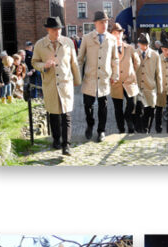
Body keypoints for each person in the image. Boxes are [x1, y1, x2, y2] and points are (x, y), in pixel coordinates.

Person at [31, 17, 80, 156]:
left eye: (59, 29)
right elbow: (34, 63)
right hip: (50, 84)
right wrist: (44, 66)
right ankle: (56, 139)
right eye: (54, 29)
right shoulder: (40, 45)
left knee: (66, 115)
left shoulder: (68, 42)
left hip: (65, 83)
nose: (57, 32)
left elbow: (74, 63)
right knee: (54, 114)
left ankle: (67, 145)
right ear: (48, 30)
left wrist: (77, 80)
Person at [77, 11, 118, 142]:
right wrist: (77, 75)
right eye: (101, 22)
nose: (104, 24)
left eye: (106, 22)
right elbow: (80, 59)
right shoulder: (87, 38)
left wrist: (115, 74)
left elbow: (115, 59)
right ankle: (90, 124)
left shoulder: (112, 39)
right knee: (87, 105)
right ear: (95, 23)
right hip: (90, 78)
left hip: (104, 79)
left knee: (103, 106)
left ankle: (101, 130)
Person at [109, 23, 139, 134]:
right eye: (115, 33)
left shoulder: (130, 48)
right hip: (116, 83)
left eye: (119, 33)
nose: (117, 35)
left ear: (123, 34)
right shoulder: (108, 50)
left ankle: (128, 118)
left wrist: (132, 74)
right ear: (111, 35)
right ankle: (121, 130)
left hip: (129, 82)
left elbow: (137, 63)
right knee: (118, 109)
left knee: (132, 103)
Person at [135, 34, 161, 134]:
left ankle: (146, 130)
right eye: (141, 43)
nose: (143, 46)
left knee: (150, 112)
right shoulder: (134, 53)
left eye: (145, 44)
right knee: (138, 110)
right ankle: (139, 129)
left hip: (150, 88)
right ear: (138, 43)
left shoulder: (155, 55)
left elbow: (159, 74)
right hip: (137, 88)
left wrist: (160, 90)